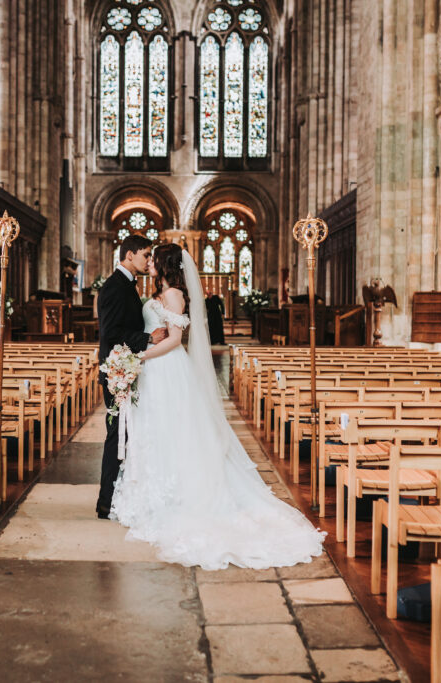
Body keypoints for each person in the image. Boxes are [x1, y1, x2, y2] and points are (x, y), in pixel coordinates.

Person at [109, 243, 325, 570]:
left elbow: (174, 340)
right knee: (156, 429)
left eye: (154, 259)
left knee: (175, 429)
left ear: (166, 264)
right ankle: (151, 494)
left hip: (168, 368)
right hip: (155, 371)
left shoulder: (174, 295)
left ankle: (177, 497)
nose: (149, 262)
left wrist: (137, 357)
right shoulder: (161, 292)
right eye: (148, 257)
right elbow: (155, 333)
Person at [95, 235, 168, 519]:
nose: (149, 260)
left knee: (124, 433)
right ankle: (106, 502)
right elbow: (111, 334)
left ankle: (116, 496)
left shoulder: (126, 285)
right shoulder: (114, 287)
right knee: (117, 434)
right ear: (129, 255)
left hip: (125, 368)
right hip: (117, 372)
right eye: (146, 255)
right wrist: (147, 337)